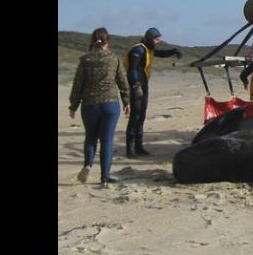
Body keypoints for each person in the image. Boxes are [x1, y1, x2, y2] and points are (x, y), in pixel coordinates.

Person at [69, 27, 131, 187]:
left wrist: (73, 105)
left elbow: (78, 84)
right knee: (107, 140)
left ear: (92, 40)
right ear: (107, 41)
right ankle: (105, 177)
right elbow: (123, 81)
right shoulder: (114, 58)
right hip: (110, 104)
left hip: (90, 104)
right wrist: (127, 101)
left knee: (90, 137)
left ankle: (88, 165)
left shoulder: (85, 60)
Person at [124, 27, 182, 158]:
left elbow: (160, 54)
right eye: (157, 39)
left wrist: (173, 51)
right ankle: (130, 149)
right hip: (136, 86)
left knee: (142, 116)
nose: (159, 41)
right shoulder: (138, 50)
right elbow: (132, 69)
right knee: (135, 117)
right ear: (150, 39)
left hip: (144, 85)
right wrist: (135, 86)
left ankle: (139, 147)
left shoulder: (148, 49)